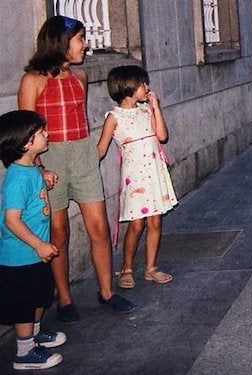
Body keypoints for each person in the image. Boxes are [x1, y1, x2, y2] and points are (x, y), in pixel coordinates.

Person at [17, 16, 133, 321]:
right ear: (61, 43)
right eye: (80, 39)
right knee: (59, 231)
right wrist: (39, 168)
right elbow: (26, 130)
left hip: (81, 154)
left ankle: (106, 291)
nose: (85, 45)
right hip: (50, 157)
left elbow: (79, 120)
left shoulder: (79, 78)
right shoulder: (33, 80)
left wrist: (91, 153)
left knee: (99, 227)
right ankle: (65, 299)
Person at [95, 65, 178, 289]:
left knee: (155, 222)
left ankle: (151, 268)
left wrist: (155, 108)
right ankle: (127, 267)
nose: (147, 87)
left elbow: (162, 135)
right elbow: (101, 148)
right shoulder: (114, 117)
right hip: (135, 178)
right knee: (136, 225)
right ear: (129, 87)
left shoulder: (146, 111)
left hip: (154, 173)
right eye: (143, 84)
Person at [0, 110, 66, 370]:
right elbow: (12, 220)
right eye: (41, 133)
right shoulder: (16, 179)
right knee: (25, 304)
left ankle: (35, 334)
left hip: (36, 254)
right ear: (26, 143)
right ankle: (24, 352)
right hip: (21, 257)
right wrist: (39, 244)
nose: (46, 134)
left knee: (40, 296)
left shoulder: (30, 169)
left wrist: (44, 177)